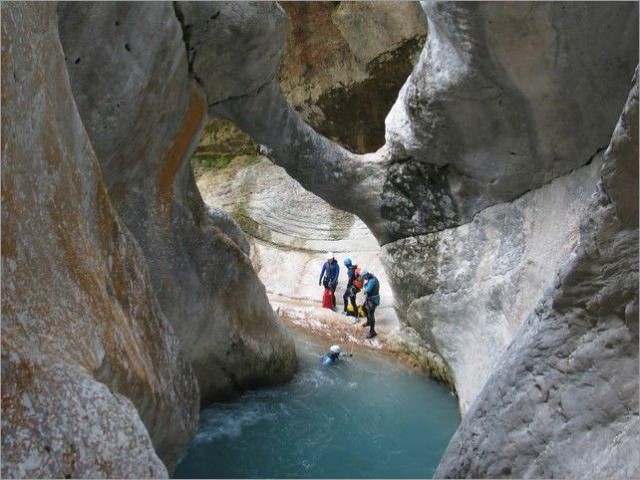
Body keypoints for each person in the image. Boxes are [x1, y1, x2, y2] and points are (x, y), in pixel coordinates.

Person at [360, 270, 380, 338]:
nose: (364, 279)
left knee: (371, 314)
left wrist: (365, 287)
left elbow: (367, 290)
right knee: (364, 308)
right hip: (369, 298)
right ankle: (368, 322)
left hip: (373, 300)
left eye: (363, 277)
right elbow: (367, 286)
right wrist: (366, 285)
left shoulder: (372, 280)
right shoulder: (371, 278)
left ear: (366, 275)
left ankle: (372, 331)